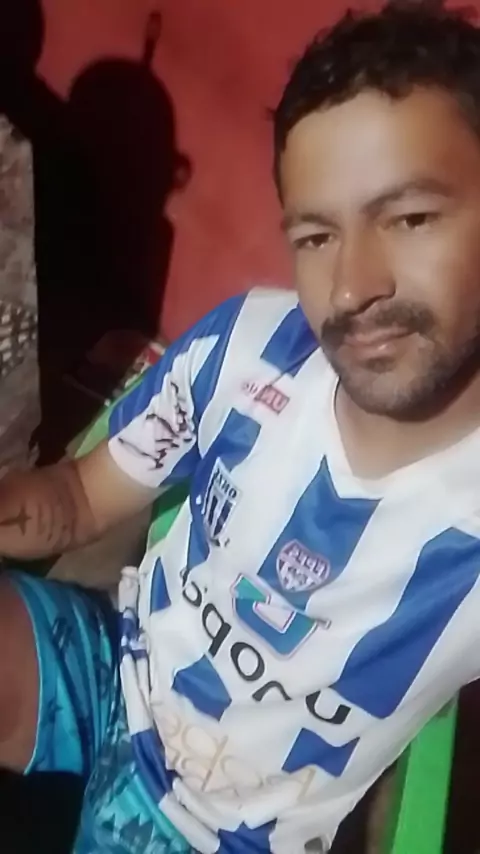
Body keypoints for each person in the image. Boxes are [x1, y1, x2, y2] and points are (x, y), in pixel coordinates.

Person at [2, 1, 480, 851]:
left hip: (218, 832)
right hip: (115, 672)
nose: (351, 287)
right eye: (317, 235)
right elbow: (77, 497)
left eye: (410, 217)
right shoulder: (247, 346)